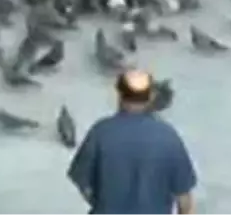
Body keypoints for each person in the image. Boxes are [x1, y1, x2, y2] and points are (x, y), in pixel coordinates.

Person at [68, 70, 198, 215]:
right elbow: (184, 200)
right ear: (150, 97)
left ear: (120, 94)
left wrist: (100, 204)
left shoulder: (101, 132)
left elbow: (82, 180)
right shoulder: (168, 137)